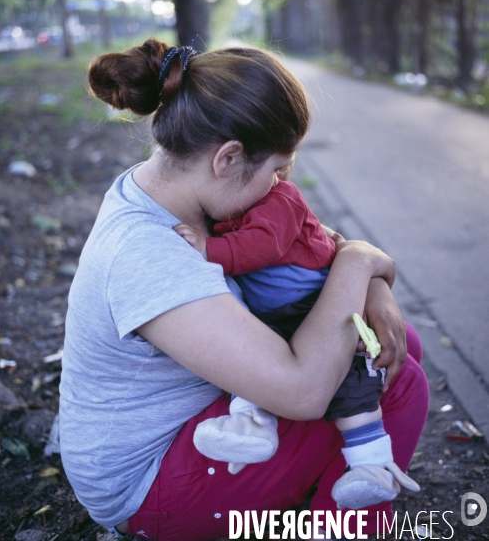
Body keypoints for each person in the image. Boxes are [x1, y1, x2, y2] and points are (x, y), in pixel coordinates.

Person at [59, 38, 429, 541]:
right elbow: (304, 392)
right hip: (149, 484)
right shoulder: (151, 252)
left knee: (393, 342)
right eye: (277, 170)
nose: (281, 185)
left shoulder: (182, 190)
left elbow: (311, 241)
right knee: (399, 380)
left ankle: (318, 493)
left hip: (192, 432)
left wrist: (369, 280)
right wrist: (362, 262)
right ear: (228, 157)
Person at [174, 175, 420, 510]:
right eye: (275, 164)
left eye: (282, 165)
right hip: (276, 320)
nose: (281, 175)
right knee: (251, 353)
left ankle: (369, 468)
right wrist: (368, 271)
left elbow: (265, 245)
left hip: (311, 306)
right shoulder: (236, 201)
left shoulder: (277, 197)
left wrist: (209, 249)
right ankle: (251, 424)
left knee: (356, 382)